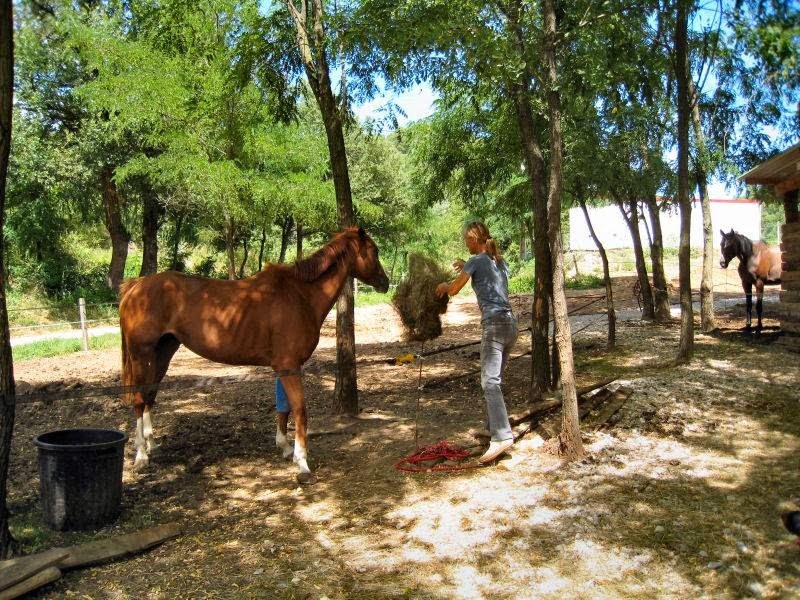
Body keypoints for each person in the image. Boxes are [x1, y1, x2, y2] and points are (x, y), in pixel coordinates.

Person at [436, 221, 518, 463]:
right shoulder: (498, 261)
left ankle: (502, 437)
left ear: (474, 239)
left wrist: (443, 286)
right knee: (496, 380)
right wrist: (466, 266)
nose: (464, 242)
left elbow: (453, 289)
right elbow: (486, 275)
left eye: (466, 239)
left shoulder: (476, 262)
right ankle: (493, 427)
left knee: (489, 381)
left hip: (493, 325)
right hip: (511, 325)